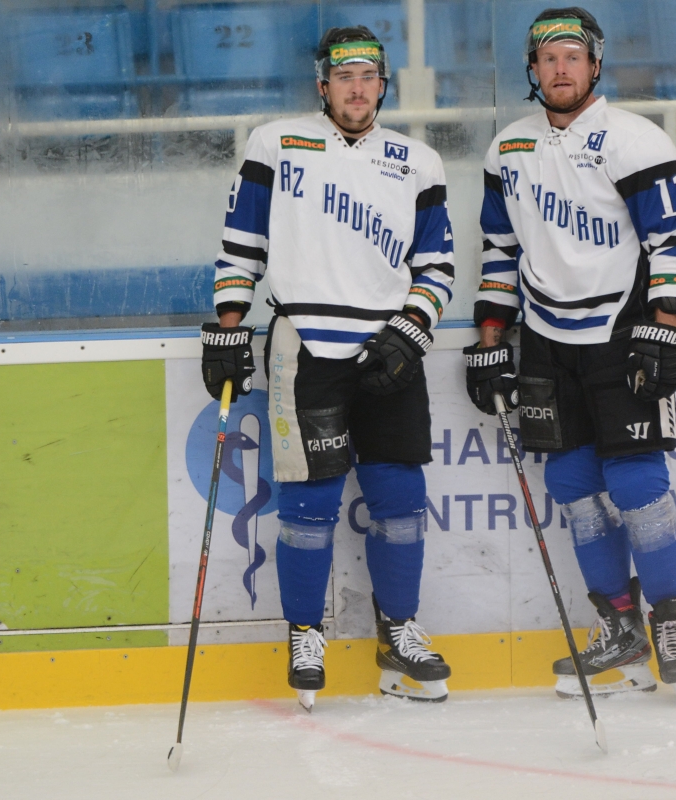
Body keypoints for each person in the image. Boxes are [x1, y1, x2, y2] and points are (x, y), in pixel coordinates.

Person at [200, 26, 456, 709]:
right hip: (304, 344)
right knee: (309, 506)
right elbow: (241, 243)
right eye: (344, 76)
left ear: (383, 84)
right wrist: (229, 325)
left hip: (390, 348)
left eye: (368, 76)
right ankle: (305, 633)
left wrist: (410, 331)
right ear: (323, 85)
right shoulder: (277, 143)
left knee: (399, 500)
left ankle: (398, 631)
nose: (357, 88)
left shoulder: (418, 161)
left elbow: (436, 266)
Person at [463, 7, 676, 701]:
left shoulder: (635, 139)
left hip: (622, 335)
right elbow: (500, 249)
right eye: (548, 58)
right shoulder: (507, 149)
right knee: (572, 487)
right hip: (544, 342)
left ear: (595, 64)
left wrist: (665, 325)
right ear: (532, 69)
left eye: (572, 56)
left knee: (637, 485)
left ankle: (669, 620)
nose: (560, 69)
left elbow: (675, 238)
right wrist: (490, 341)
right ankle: (618, 625)